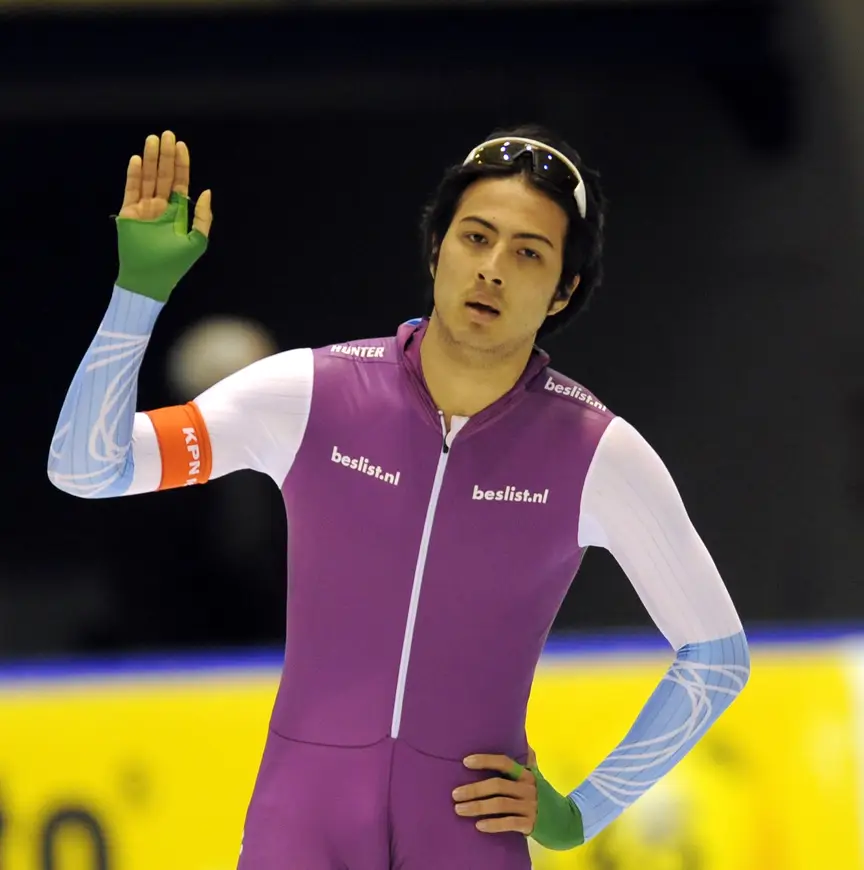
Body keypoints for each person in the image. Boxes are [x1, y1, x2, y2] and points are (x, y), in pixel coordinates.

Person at [47, 126, 750, 869]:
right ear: (437, 247)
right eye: (476, 237)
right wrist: (138, 292)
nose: (492, 269)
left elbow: (716, 657)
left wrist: (581, 812)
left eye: (528, 253)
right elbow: (88, 469)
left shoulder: (597, 454)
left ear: (564, 290)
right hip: (301, 830)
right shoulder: (310, 395)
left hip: (468, 837)